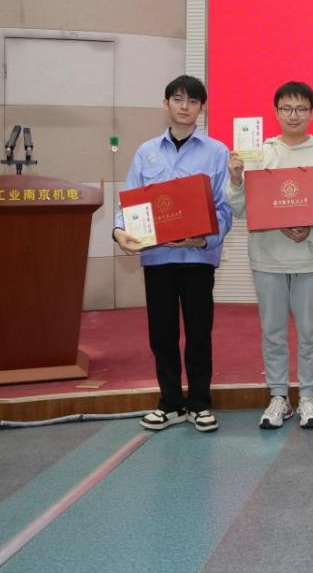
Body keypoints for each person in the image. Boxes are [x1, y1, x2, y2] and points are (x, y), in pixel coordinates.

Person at [113, 75, 233, 433]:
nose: (184, 106)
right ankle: (170, 403)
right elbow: (130, 201)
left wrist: (202, 240)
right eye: (178, 99)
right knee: (162, 334)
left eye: (192, 101)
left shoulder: (217, 152)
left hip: (198, 259)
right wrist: (118, 231)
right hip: (158, 258)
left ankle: (199, 403)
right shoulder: (146, 152)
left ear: (202, 108)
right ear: (165, 103)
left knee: (199, 333)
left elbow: (224, 209)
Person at [227, 81, 313, 431]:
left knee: (310, 331)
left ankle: (308, 395)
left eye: (301, 109)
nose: (294, 115)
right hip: (268, 258)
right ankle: (278, 395)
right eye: (287, 109)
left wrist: (312, 233)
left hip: (311, 258)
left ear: (312, 113)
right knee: (273, 330)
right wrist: (236, 179)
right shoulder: (258, 154)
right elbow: (241, 209)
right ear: (276, 112)